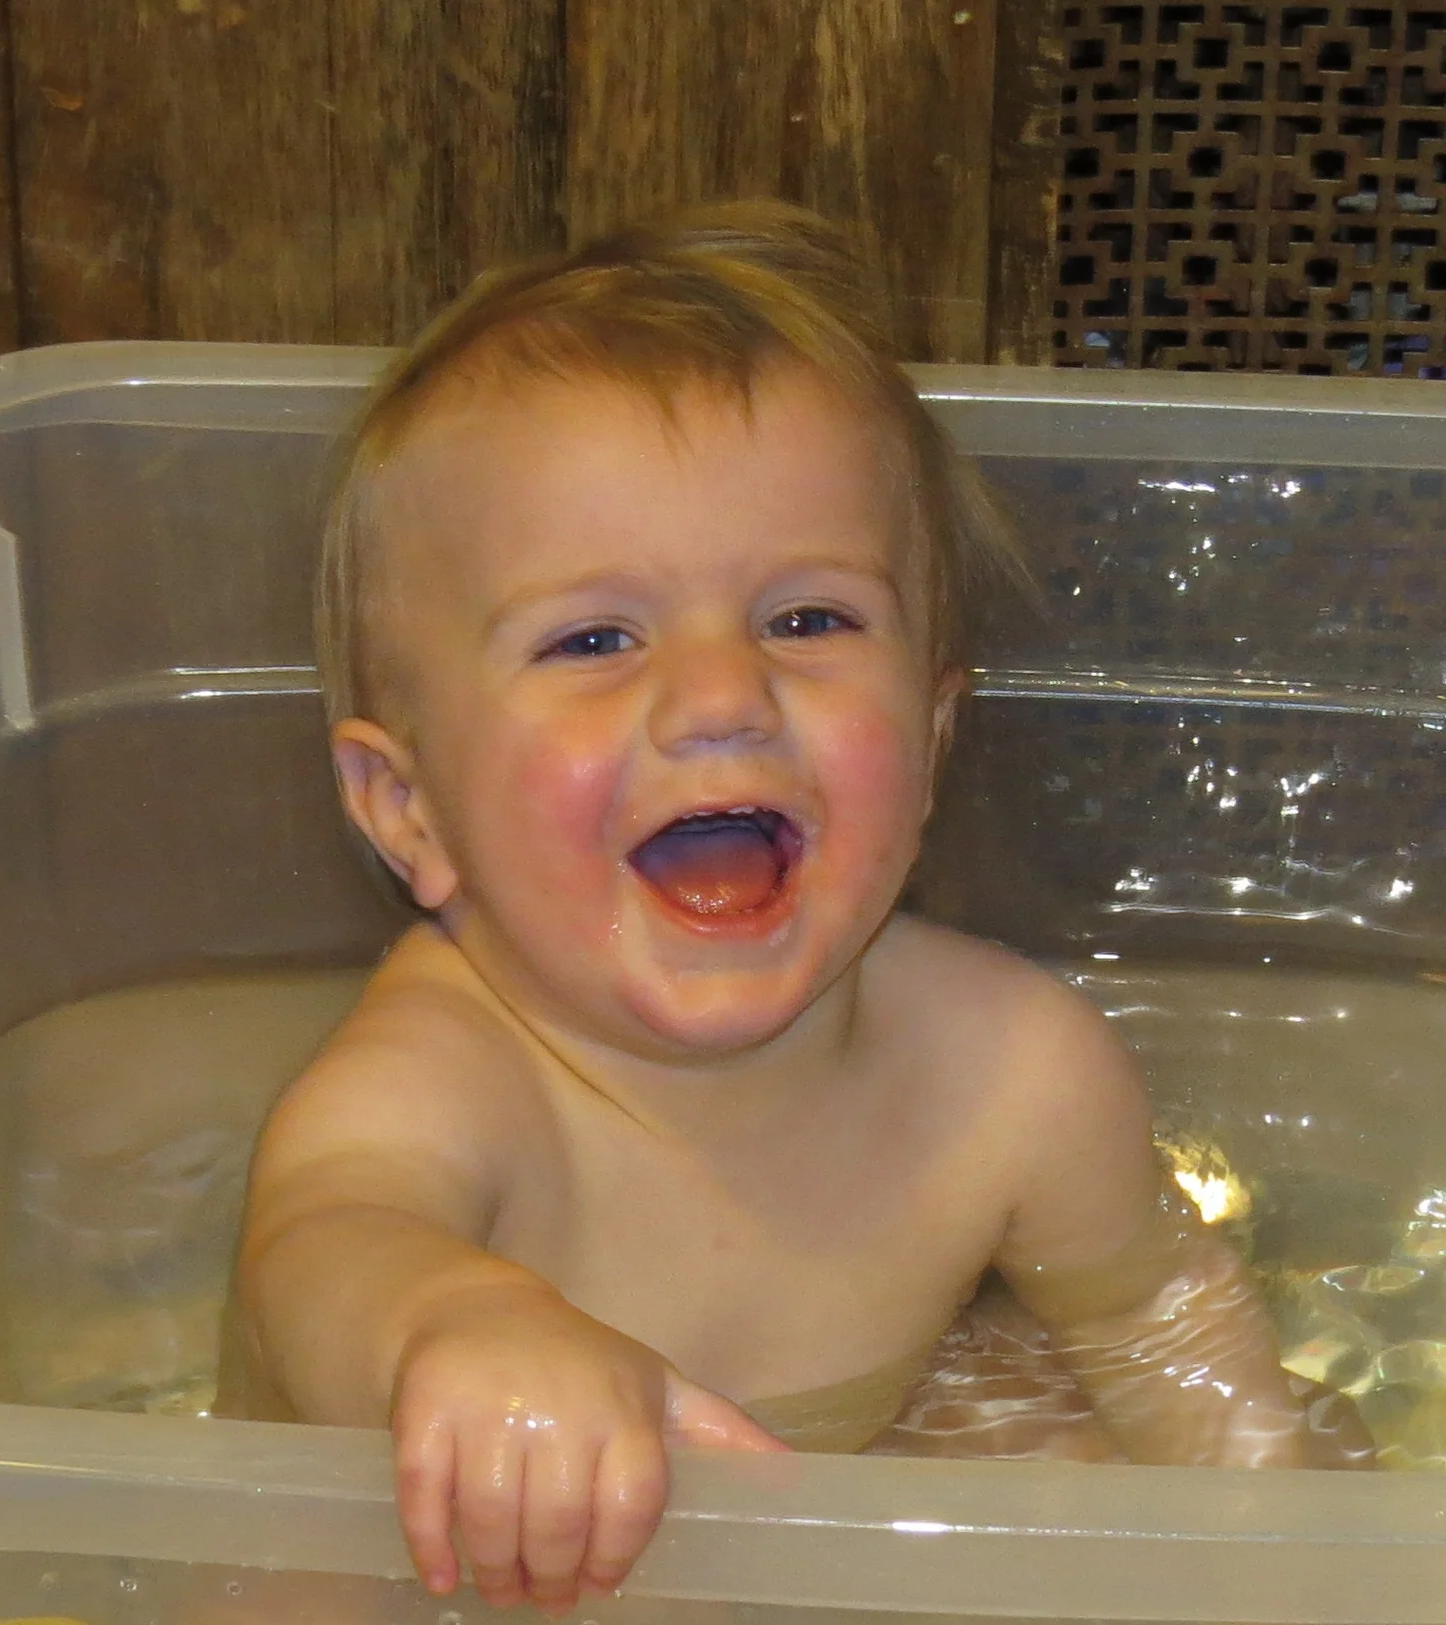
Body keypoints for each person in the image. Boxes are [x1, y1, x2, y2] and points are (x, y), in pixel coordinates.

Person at [219, 200, 1357, 1619]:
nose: (718, 696)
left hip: (788, 1529)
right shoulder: (444, 1080)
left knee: (1078, 1437)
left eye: (806, 619)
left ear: (933, 739)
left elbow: (1155, 1322)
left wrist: (1296, 1550)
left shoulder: (1010, 1073)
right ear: (410, 813)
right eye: (593, 638)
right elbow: (322, 1250)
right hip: (423, 1589)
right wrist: (459, 1323)